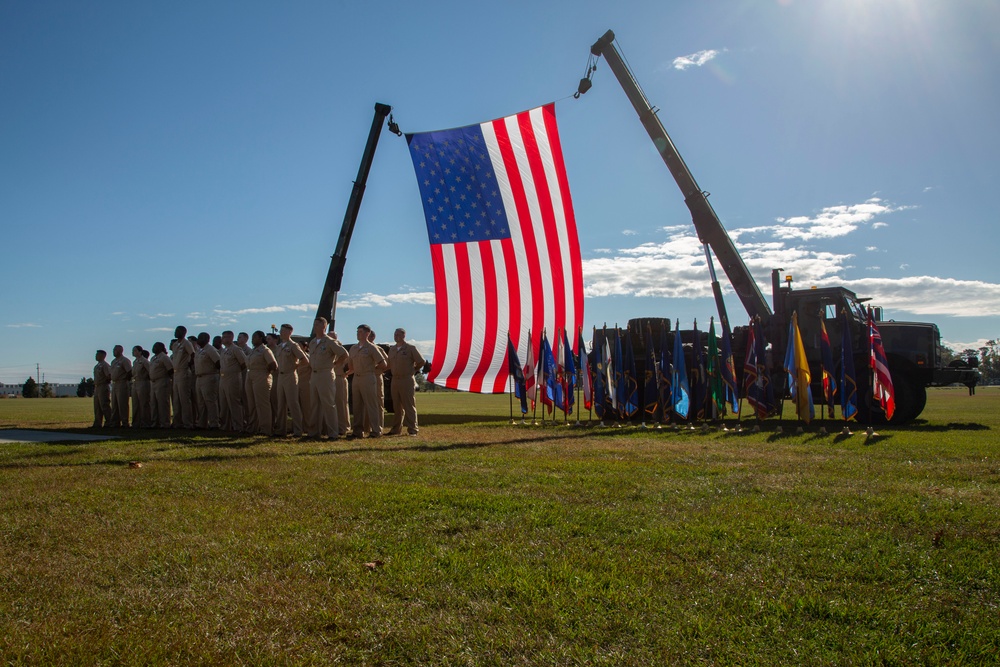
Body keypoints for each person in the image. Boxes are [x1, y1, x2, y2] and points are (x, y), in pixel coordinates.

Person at [308, 317, 348, 439]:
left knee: (328, 404)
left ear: (324, 327)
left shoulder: (329, 341)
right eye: (314, 324)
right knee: (315, 404)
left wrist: (335, 364)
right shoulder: (313, 342)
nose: (315, 327)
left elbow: (344, 354)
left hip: (325, 374)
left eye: (317, 325)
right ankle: (314, 432)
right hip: (314, 374)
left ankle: (332, 432)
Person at [349, 324, 387, 438]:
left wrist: (371, 369)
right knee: (357, 405)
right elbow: (350, 364)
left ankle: (376, 430)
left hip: (368, 377)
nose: (358, 334)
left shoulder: (371, 348)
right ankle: (357, 431)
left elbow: (383, 363)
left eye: (360, 332)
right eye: (357, 331)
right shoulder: (354, 348)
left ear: (367, 333)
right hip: (356, 377)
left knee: (371, 405)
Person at [387, 327, 425, 436]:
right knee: (397, 406)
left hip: (406, 379)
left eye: (398, 335)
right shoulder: (392, 349)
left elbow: (421, 361)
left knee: (409, 405)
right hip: (395, 379)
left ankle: (413, 429)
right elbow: (389, 364)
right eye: (395, 335)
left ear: (404, 335)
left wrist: (413, 370)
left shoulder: (410, 348)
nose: (396, 337)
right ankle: (396, 429)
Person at [274, 323, 308, 437]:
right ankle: (281, 429)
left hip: (290, 375)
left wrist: (295, 366)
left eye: (284, 331)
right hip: (281, 376)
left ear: (290, 332)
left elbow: (304, 359)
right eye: (281, 331)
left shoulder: (293, 345)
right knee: (281, 404)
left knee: (293, 403)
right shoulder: (279, 346)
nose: (281, 333)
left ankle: (298, 430)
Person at [245, 330, 278, 436]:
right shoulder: (253, 351)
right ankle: (253, 427)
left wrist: (265, 372)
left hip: (261, 376)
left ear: (260, 338)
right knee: (252, 403)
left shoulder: (265, 350)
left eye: (254, 337)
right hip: (250, 375)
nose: (252, 339)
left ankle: (266, 428)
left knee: (262, 404)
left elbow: (273, 365)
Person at [219, 330, 247, 432]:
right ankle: (225, 426)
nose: (223, 339)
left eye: (225, 337)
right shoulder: (224, 350)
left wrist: (236, 371)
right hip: (223, 378)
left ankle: (238, 426)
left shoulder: (236, 349)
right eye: (223, 337)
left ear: (231, 338)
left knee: (234, 403)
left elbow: (244, 363)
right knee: (224, 403)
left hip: (233, 378)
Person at [194, 332, 221, 429]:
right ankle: (202, 423)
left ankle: (214, 423)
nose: (198, 340)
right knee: (200, 402)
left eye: (201, 338)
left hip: (209, 377)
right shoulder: (199, 350)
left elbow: (218, 362)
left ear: (207, 339)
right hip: (199, 377)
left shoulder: (210, 349)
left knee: (210, 401)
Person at [170, 326, 195, 428]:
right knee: (176, 399)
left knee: (184, 399)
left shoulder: (186, 343)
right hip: (176, 373)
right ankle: (177, 422)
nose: (176, 332)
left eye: (179, 331)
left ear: (184, 332)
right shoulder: (175, 344)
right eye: (176, 330)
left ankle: (187, 423)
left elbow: (193, 354)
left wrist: (189, 364)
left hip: (183, 372)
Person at [148, 342, 174, 427]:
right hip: (153, 382)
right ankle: (155, 422)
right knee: (154, 403)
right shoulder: (153, 358)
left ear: (160, 348)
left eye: (155, 346)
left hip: (162, 381)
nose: (153, 348)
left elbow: (170, 370)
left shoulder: (164, 357)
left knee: (162, 403)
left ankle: (165, 423)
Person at [332, 332, 351, 436]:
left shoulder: (340, 350)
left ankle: (342, 426)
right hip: (331, 377)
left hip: (339, 376)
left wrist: (346, 373)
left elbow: (349, 362)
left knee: (341, 402)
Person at [108, 345, 133, 427]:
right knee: (114, 404)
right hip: (114, 383)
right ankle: (115, 422)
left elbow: (129, 372)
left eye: (115, 350)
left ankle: (125, 422)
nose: (113, 351)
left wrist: (126, 380)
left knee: (122, 404)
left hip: (122, 383)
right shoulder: (113, 361)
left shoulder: (124, 360)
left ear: (120, 351)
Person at [131, 345, 152, 428]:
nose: (133, 352)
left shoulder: (144, 361)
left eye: (135, 350)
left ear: (140, 352)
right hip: (136, 382)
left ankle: (146, 422)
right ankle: (136, 422)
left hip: (143, 382)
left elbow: (150, 371)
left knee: (144, 403)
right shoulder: (135, 362)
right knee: (135, 404)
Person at [92, 350, 112, 428]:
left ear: (103, 356)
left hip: (103, 386)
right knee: (97, 406)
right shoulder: (97, 366)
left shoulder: (105, 365)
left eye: (97, 355)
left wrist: (104, 382)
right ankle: (97, 423)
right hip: (97, 387)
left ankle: (109, 422)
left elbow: (108, 376)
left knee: (104, 405)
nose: (96, 356)